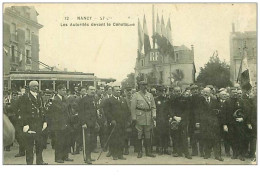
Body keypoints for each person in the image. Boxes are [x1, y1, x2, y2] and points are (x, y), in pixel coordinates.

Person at [19, 81, 48, 165]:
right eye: (34, 86)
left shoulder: (39, 96)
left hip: (39, 124)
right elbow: (22, 112)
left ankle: (39, 161)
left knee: (40, 145)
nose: (36, 88)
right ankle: (30, 163)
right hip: (30, 124)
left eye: (37, 86)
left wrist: (45, 121)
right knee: (29, 146)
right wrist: (25, 124)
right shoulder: (25, 97)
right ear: (30, 87)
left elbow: (42, 110)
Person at [46, 84, 74, 163]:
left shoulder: (64, 99)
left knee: (66, 141)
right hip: (58, 124)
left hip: (66, 123)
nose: (64, 91)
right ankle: (58, 157)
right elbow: (60, 109)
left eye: (65, 90)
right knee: (59, 142)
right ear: (58, 90)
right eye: (62, 90)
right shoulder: (55, 99)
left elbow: (68, 110)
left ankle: (65, 156)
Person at [103, 86, 131, 160]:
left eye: (119, 90)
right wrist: (111, 120)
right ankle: (114, 154)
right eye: (116, 90)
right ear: (112, 91)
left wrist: (128, 120)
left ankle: (120, 154)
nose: (118, 91)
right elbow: (107, 112)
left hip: (122, 123)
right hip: (114, 123)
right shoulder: (109, 100)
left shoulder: (123, 100)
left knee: (122, 138)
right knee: (114, 139)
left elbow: (127, 111)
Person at [131, 81, 156, 158]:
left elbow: (153, 107)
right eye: (143, 85)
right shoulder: (136, 95)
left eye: (145, 85)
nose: (144, 87)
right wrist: (134, 117)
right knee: (139, 134)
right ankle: (140, 151)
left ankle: (148, 151)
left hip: (148, 117)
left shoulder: (150, 95)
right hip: (139, 117)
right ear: (139, 86)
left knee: (148, 134)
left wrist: (154, 115)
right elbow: (133, 107)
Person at [199, 88, 223, 161]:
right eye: (204, 92)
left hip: (214, 122)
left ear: (210, 92)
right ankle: (207, 154)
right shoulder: (200, 101)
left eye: (207, 92)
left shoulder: (215, 100)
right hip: (205, 122)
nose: (206, 93)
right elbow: (198, 112)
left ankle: (217, 155)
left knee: (216, 139)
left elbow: (219, 110)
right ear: (203, 93)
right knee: (206, 138)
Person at [78, 85, 100, 164]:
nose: (93, 91)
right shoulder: (83, 100)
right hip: (86, 124)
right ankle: (87, 157)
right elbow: (80, 112)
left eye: (94, 90)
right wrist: (83, 123)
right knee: (86, 141)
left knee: (91, 141)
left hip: (93, 123)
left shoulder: (94, 99)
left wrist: (96, 122)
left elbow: (94, 112)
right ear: (87, 90)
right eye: (91, 89)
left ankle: (89, 156)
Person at [169, 89, 192, 159]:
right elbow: (170, 109)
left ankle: (186, 152)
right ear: (173, 92)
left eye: (179, 91)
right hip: (175, 120)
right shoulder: (171, 100)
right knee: (175, 136)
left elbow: (187, 110)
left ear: (181, 92)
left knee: (184, 136)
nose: (177, 92)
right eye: (176, 91)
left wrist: (181, 117)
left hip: (183, 120)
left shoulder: (185, 99)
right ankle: (176, 151)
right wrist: (174, 117)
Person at [154, 86, 171, 155]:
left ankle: (166, 148)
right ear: (157, 92)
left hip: (166, 119)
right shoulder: (155, 100)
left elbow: (169, 109)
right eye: (160, 91)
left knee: (166, 134)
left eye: (163, 91)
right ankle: (160, 148)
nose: (162, 93)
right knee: (159, 134)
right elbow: (154, 110)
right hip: (158, 119)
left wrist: (169, 117)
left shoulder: (167, 100)